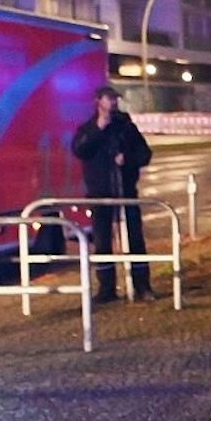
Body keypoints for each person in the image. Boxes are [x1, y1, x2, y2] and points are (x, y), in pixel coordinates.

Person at [70, 86, 154, 302]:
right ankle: (106, 289)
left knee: (135, 240)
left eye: (116, 98)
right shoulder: (88, 128)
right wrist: (99, 129)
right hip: (100, 194)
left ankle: (142, 285)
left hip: (125, 191)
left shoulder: (125, 126)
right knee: (103, 242)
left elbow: (145, 154)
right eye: (110, 99)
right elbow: (80, 150)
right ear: (98, 101)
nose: (114, 102)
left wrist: (127, 160)